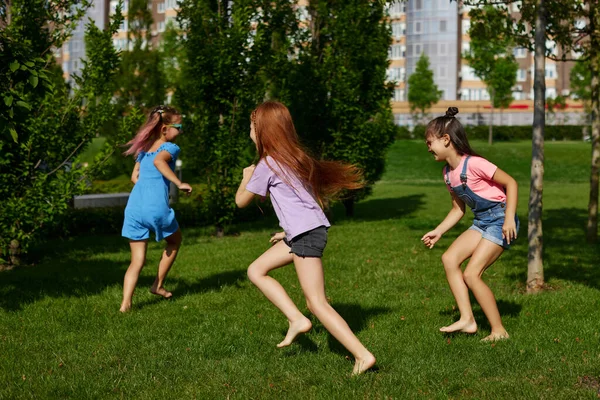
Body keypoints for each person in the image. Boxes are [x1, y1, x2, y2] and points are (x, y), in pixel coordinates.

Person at [235, 101, 376, 374]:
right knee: (256, 270)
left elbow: (241, 201)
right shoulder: (292, 157)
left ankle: (362, 355)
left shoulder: (266, 164)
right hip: (304, 232)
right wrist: (287, 231)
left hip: (305, 235)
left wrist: (246, 176)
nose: (250, 130)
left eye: (252, 125)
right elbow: (302, 201)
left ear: (264, 130)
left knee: (317, 302)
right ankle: (296, 320)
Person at [421, 107, 519, 342]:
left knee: (472, 274)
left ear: (445, 140)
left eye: (429, 142)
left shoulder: (475, 164)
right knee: (449, 259)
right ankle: (468, 319)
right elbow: (458, 209)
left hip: (500, 220)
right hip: (482, 221)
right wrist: (439, 231)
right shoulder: (448, 174)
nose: (428, 148)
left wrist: (508, 219)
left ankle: (499, 331)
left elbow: (512, 183)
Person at [119, 105, 192, 312]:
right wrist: (179, 184)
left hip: (134, 208)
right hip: (155, 208)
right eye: (179, 127)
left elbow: (135, 177)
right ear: (164, 129)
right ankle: (157, 285)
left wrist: (146, 189)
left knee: (137, 260)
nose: (181, 131)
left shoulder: (143, 150)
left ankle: (125, 304)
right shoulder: (169, 148)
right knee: (175, 241)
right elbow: (160, 162)